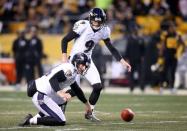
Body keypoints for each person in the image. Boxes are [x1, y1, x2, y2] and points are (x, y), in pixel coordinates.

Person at [61, 8, 131, 121]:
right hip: (74, 61)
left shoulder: (104, 30)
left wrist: (122, 61)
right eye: (94, 21)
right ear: (90, 19)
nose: (97, 23)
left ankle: (89, 113)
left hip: (87, 61)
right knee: (74, 90)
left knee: (98, 87)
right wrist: (64, 57)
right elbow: (65, 40)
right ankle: (60, 106)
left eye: (99, 21)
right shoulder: (83, 25)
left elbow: (111, 47)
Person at [19, 53, 93, 126]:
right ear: (77, 62)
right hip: (41, 94)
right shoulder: (69, 69)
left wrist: (87, 105)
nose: (84, 68)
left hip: (44, 94)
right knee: (60, 120)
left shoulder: (72, 71)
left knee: (62, 100)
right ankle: (31, 120)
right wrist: (61, 93)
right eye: (83, 65)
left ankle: (37, 117)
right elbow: (53, 79)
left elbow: (77, 90)